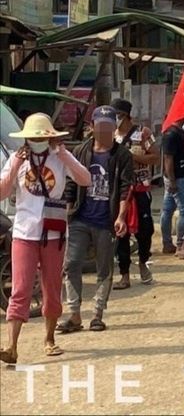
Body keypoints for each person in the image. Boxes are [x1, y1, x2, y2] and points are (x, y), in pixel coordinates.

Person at [0, 114, 92, 364]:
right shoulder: (17, 158)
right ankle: (11, 346)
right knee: (20, 289)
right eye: (33, 137)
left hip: (54, 233)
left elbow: (85, 179)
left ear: (50, 137)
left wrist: (63, 155)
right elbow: (2, 192)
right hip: (24, 232)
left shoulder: (59, 157)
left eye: (41, 137)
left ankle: (49, 339)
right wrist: (15, 165)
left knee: (51, 287)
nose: (37, 141)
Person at [59, 106, 134, 334]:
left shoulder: (122, 155)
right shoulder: (81, 151)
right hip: (80, 217)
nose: (103, 130)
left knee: (104, 268)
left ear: (114, 128)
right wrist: (68, 211)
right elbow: (71, 182)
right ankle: (74, 314)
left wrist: (121, 216)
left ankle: (97, 314)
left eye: (108, 126)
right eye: (100, 125)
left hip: (106, 220)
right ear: (92, 126)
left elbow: (125, 188)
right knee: (71, 264)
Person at [112, 99, 158, 289]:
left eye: (117, 115)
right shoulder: (111, 135)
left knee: (145, 230)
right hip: (119, 190)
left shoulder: (143, 133)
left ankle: (143, 262)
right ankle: (124, 274)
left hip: (140, 189)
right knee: (120, 231)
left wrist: (134, 157)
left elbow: (155, 156)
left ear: (125, 116)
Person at [160, 116, 184, 259]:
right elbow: (168, 159)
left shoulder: (177, 132)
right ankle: (180, 245)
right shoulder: (171, 134)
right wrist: (172, 180)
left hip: (175, 177)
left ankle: (168, 243)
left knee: (167, 210)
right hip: (177, 178)